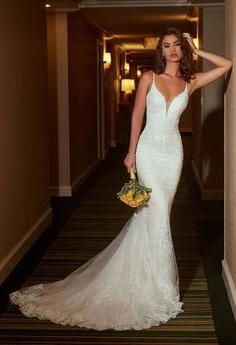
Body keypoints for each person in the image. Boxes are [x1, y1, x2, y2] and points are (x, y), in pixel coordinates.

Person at [10, 27, 232, 331]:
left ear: (183, 50)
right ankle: (158, 289)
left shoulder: (189, 82)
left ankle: (151, 281)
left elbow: (227, 66)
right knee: (155, 215)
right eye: (166, 46)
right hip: (149, 152)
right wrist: (130, 153)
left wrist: (196, 48)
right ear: (161, 51)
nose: (172, 50)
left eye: (177, 46)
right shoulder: (148, 78)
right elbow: (137, 115)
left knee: (159, 215)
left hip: (173, 155)